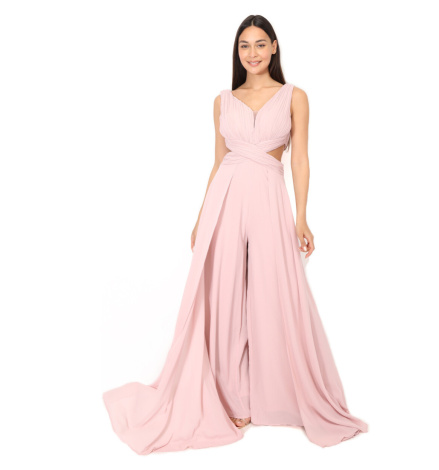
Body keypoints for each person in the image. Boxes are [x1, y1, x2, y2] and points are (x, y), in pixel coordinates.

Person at [102, 14, 369, 455]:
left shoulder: (294, 96)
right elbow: (218, 161)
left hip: (269, 198)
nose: (252, 53)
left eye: (260, 44)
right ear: (237, 51)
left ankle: (273, 395)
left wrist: (302, 217)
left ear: (274, 46)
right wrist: (201, 215)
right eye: (244, 45)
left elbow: (299, 160)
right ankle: (230, 398)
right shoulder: (222, 101)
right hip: (224, 201)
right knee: (223, 296)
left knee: (270, 293)